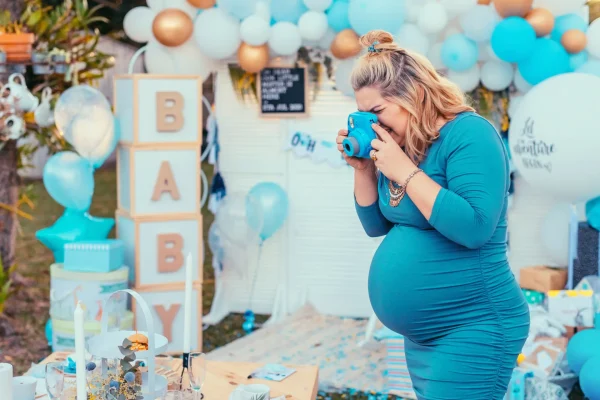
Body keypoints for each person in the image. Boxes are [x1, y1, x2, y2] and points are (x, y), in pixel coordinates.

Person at [336, 30, 530, 400]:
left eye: (377, 112)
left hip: (473, 326)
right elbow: (375, 226)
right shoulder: (405, 146)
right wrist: (364, 169)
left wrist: (404, 171)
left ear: (414, 94)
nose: (373, 125)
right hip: (424, 335)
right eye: (363, 115)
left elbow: (474, 227)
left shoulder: (469, 134)